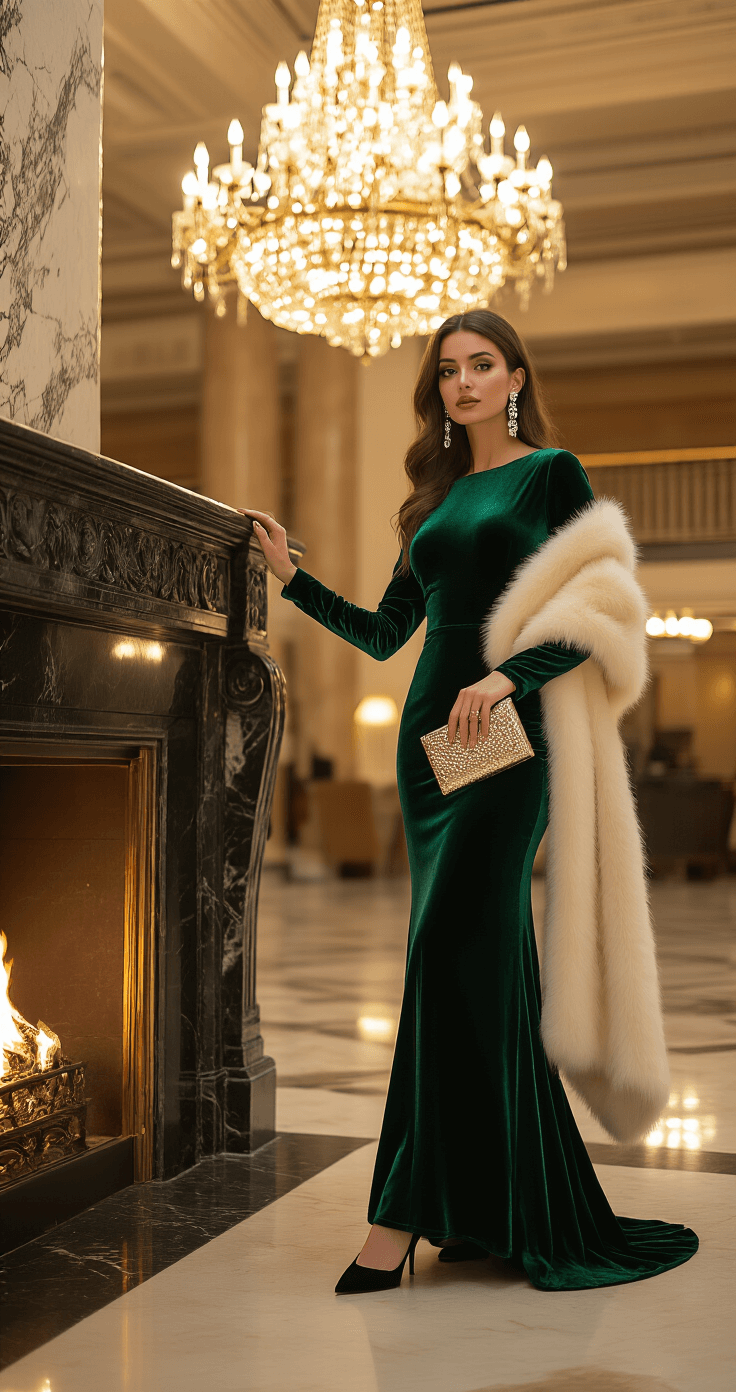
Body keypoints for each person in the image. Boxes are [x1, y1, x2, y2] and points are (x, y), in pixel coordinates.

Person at [241, 309, 698, 1295]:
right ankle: (485, 1203)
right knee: (472, 970)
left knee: (453, 951)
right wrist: (292, 581)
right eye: (447, 370)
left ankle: (399, 1215)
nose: (463, 382)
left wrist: (509, 676)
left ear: (515, 376)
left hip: (498, 742)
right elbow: (382, 632)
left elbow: (603, 609)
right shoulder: (433, 502)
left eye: (481, 365)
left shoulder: (550, 476)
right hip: (426, 748)